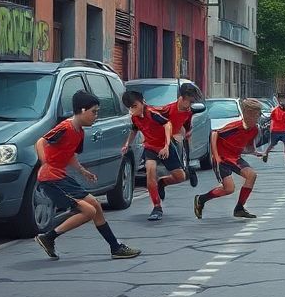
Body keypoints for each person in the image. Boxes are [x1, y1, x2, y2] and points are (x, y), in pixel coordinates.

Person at [33, 90, 140, 260]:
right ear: (82, 110)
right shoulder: (65, 127)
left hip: (62, 177)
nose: (96, 116)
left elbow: (69, 154)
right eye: (94, 112)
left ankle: (115, 247)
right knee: (89, 211)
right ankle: (48, 237)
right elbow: (41, 141)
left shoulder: (80, 132)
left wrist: (82, 171)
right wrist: (44, 162)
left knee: (95, 206)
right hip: (51, 179)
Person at [194, 99, 263, 221]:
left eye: (258, 115)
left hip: (235, 158)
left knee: (252, 175)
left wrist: (254, 152)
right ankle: (201, 199)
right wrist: (216, 156)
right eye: (256, 116)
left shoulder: (254, 129)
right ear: (247, 114)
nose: (258, 118)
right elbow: (215, 134)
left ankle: (239, 208)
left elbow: (249, 145)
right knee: (229, 189)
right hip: (222, 158)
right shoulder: (235, 127)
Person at [121, 90, 179, 222]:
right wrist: (127, 144)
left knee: (180, 177)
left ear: (142, 103)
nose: (132, 110)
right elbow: (134, 130)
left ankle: (162, 182)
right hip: (150, 148)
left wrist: (166, 145)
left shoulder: (152, 113)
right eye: (130, 108)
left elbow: (167, 124)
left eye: (135, 106)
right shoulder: (134, 118)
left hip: (165, 147)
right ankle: (157, 207)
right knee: (150, 171)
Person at [158, 81, 201, 191]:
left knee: (183, 143)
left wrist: (187, 132)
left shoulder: (189, 112)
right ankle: (162, 182)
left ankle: (189, 169)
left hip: (177, 137)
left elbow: (187, 126)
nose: (191, 105)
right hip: (164, 139)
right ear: (182, 98)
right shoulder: (168, 110)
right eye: (190, 102)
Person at [264, 94, 285, 168]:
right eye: (282, 100)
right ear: (279, 100)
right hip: (275, 130)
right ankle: (265, 154)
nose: (284, 101)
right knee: (272, 144)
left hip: (284, 130)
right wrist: (284, 111)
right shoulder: (275, 110)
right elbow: (276, 118)